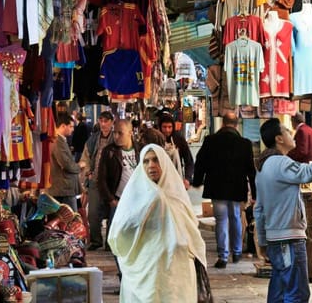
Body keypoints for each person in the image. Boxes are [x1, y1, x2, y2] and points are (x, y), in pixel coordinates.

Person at [254, 118, 312, 302]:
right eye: (287, 131)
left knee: (279, 292)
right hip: (288, 239)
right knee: (296, 294)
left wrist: (263, 241)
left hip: (276, 239)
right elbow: (310, 173)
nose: (291, 134)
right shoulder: (280, 163)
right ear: (279, 139)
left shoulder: (264, 167)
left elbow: (259, 209)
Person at [108, 144, 207, 302]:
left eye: (156, 160)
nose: (151, 165)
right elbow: (118, 232)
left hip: (174, 268)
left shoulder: (176, 194)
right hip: (143, 267)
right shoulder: (134, 194)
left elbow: (190, 229)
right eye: (146, 161)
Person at [192, 112, 256, 268]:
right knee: (235, 216)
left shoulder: (210, 141)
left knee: (221, 220)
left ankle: (223, 256)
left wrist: (198, 181)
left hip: (217, 187)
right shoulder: (245, 143)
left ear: (223, 123)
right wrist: (255, 192)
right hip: (236, 187)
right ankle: (237, 251)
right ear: (235, 124)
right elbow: (251, 170)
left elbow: (200, 163)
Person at [98, 120, 140, 277]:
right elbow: (100, 179)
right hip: (118, 201)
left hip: (138, 203)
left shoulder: (139, 150)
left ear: (130, 132)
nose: (116, 136)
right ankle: (123, 273)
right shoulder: (109, 151)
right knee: (115, 240)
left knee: (136, 239)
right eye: (114, 132)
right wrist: (111, 200)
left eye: (120, 133)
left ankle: (134, 274)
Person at [79, 111, 114, 250]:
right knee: (92, 213)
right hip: (95, 181)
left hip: (112, 183)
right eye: (101, 121)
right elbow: (85, 158)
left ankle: (110, 243)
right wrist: (88, 173)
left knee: (113, 213)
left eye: (106, 121)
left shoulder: (116, 138)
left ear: (111, 122)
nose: (103, 124)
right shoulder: (93, 139)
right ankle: (95, 240)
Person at [49, 115, 81, 211]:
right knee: (71, 220)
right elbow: (66, 164)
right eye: (71, 126)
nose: (73, 130)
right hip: (63, 190)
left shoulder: (59, 140)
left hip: (62, 189)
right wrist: (79, 166)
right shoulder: (58, 141)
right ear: (63, 126)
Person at [158, 113, 195, 186]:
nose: (167, 130)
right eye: (164, 127)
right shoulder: (156, 140)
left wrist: (187, 178)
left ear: (173, 127)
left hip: (177, 180)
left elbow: (189, 162)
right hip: (160, 181)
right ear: (160, 127)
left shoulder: (179, 139)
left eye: (169, 127)